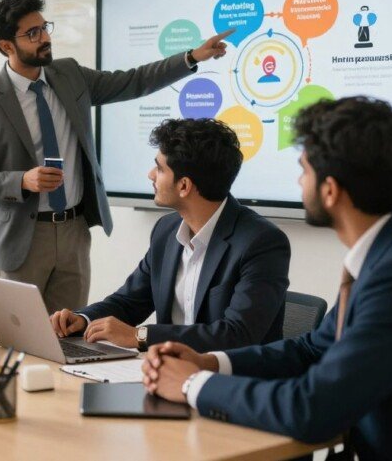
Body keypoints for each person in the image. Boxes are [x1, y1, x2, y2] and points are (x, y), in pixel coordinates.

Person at [142, 97, 392, 460]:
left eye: (304, 170)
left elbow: (310, 409)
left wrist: (191, 384)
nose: (299, 182)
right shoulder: (390, 253)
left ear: (330, 191)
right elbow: (313, 349)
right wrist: (211, 362)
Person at [0, 0, 233, 312]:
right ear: (7, 46)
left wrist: (191, 57)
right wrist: (22, 180)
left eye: (44, 27)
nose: (45, 37)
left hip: (74, 229)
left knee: (68, 335)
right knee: (19, 340)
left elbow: (134, 81)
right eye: (32, 33)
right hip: (23, 237)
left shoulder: (69, 75)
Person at [50, 118, 290, 352]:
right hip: (168, 372)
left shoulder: (261, 242)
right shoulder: (166, 230)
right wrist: (83, 319)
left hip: (231, 382)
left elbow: (237, 334)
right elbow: (130, 301)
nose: (151, 174)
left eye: (160, 168)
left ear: (184, 186)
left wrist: (140, 336)